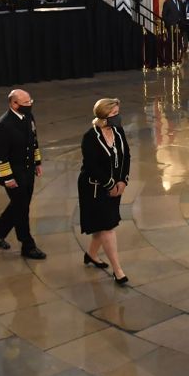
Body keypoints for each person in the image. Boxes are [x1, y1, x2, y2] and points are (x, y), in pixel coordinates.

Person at [0, 89, 47, 260]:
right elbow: (0, 156)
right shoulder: (3, 126)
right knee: (21, 209)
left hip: (27, 171)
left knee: (19, 205)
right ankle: (27, 245)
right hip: (13, 175)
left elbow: (33, 141)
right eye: (26, 103)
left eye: (30, 101)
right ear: (14, 103)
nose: (30, 105)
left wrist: (37, 162)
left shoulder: (28, 117)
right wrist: (7, 178)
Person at [80, 98, 131, 284]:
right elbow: (92, 166)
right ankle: (118, 271)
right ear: (103, 116)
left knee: (101, 226)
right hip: (94, 188)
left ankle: (91, 255)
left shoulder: (118, 131)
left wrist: (123, 181)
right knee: (108, 227)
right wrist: (110, 184)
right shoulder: (90, 137)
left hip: (116, 186)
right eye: (114, 114)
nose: (118, 118)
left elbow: (126, 156)